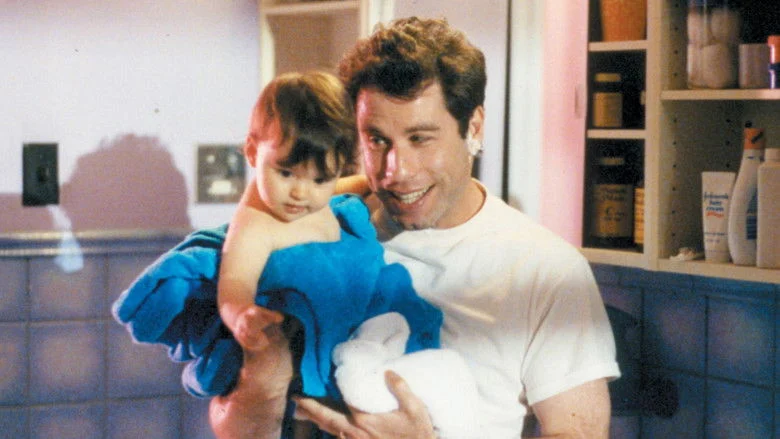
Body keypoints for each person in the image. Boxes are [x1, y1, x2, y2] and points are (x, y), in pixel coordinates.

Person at [277, 17, 619, 438]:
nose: (397, 171)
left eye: (420, 139)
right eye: (377, 140)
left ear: (473, 127)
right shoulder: (326, 235)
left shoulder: (546, 270)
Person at [111, 70, 476, 439]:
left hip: (360, 325)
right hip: (305, 347)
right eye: (286, 173)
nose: (301, 193)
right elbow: (236, 281)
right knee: (301, 408)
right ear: (252, 152)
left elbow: (360, 186)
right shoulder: (256, 224)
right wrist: (242, 316)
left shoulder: (327, 195)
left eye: (320, 179)